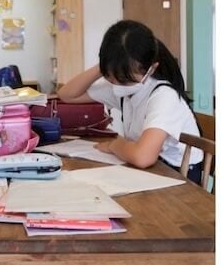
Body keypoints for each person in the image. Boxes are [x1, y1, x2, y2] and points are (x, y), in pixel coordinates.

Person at [57, 20, 203, 182]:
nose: (118, 86)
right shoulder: (120, 85)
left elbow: (143, 157)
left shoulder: (163, 96)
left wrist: (115, 145)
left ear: (152, 68)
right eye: (111, 77)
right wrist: (105, 64)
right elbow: (67, 94)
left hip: (178, 175)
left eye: (125, 80)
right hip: (152, 169)